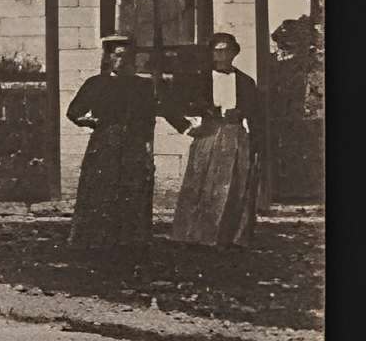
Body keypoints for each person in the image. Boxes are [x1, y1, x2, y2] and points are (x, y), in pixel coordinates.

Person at [67, 32, 176, 257]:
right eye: (117, 55)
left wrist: (148, 149)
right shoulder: (95, 83)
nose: (121, 60)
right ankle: (97, 239)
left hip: (134, 143)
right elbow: (74, 112)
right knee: (102, 189)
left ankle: (131, 240)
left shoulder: (142, 86)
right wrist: (89, 121)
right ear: (109, 58)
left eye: (126, 56)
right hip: (105, 143)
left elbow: (149, 119)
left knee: (132, 189)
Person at [171, 32, 263, 248]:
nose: (221, 55)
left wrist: (254, 140)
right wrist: (190, 124)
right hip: (209, 133)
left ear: (234, 53)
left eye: (226, 51)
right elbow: (176, 103)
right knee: (201, 182)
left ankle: (230, 236)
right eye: (217, 51)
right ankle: (195, 235)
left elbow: (255, 114)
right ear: (211, 54)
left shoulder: (246, 81)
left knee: (234, 185)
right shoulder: (200, 79)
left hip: (236, 135)